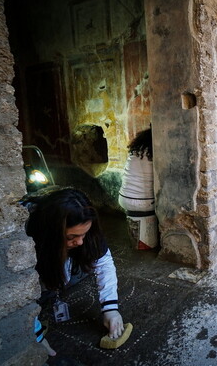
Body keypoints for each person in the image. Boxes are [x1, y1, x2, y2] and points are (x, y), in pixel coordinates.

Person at [24, 187, 125, 345]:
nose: (80, 242)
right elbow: (17, 295)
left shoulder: (88, 236)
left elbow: (103, 262)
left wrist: (110, 309)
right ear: (53, 232)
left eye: (84, 234)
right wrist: (36, 334)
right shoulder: (26, 240)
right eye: (71, 237)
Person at [118, 128, 158, 249]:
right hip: (142, 203)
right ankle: (151, 243)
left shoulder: (135, 153)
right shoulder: (153, 155)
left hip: (123, 198)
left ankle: (141, 242)